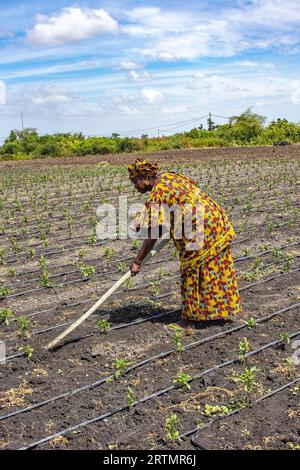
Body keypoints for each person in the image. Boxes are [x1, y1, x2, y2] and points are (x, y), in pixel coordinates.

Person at [128, 157, 242, 328]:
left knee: (190, 269)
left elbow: (155, 232)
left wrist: (138, 261)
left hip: (199, 228)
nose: (135, 186)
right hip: (215, 219)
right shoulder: (167, 177)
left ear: (145, 177)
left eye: (135, 181)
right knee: (214, 268)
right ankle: (215, 312)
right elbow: (178, 193)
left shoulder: (158, 194)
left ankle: (189, 320)